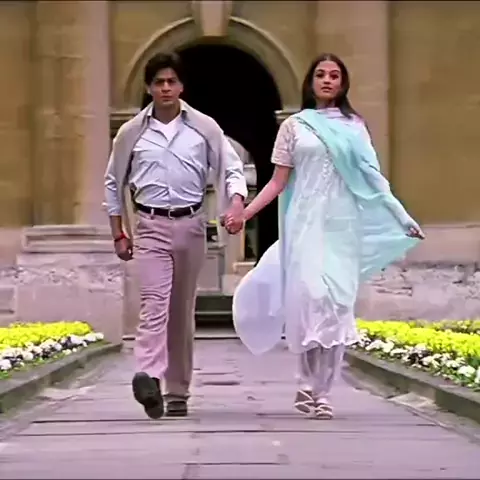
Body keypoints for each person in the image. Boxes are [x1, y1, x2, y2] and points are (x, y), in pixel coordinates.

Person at [226, 53, 425, 420]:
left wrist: (401, 215)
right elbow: (277, 182)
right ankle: (305, 382)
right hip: (304, 223)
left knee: (336, 304)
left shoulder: (354, 126)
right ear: (311, 82)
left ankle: (323, 392)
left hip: (342, 225)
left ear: (343, 83)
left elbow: (372, 176)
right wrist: (245, 213)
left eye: (334, 75)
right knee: (310, 297)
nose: (328, 80)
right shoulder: (295, 126)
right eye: (321, 74)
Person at [104, 52, 247, 419]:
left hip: (192, 225)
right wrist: (119, 232)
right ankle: (148, 376)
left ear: (181, 86)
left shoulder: (204, 128)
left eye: (171, 81)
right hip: (149, 224)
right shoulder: (131, 133)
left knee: (180, 311)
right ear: (148, 87)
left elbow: (231, 168)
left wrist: (235, 203)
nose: (165, 88)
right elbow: (113, 183)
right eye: (158, 82)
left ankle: (178, 391)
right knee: (154, 303)